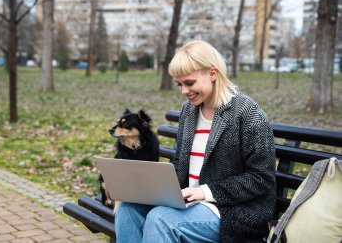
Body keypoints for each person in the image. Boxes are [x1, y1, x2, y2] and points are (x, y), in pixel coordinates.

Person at [115, 40, 276, 243]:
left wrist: (204, 191)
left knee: (160, 219)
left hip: (232, 211)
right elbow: (181, 164)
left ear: (212, 73)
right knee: (128, 209)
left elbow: (262, 178)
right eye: (179, 84)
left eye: (189, 83)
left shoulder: (247, 113)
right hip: (187, 202)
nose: (183, 90)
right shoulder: (189, 111)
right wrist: (149, 187)